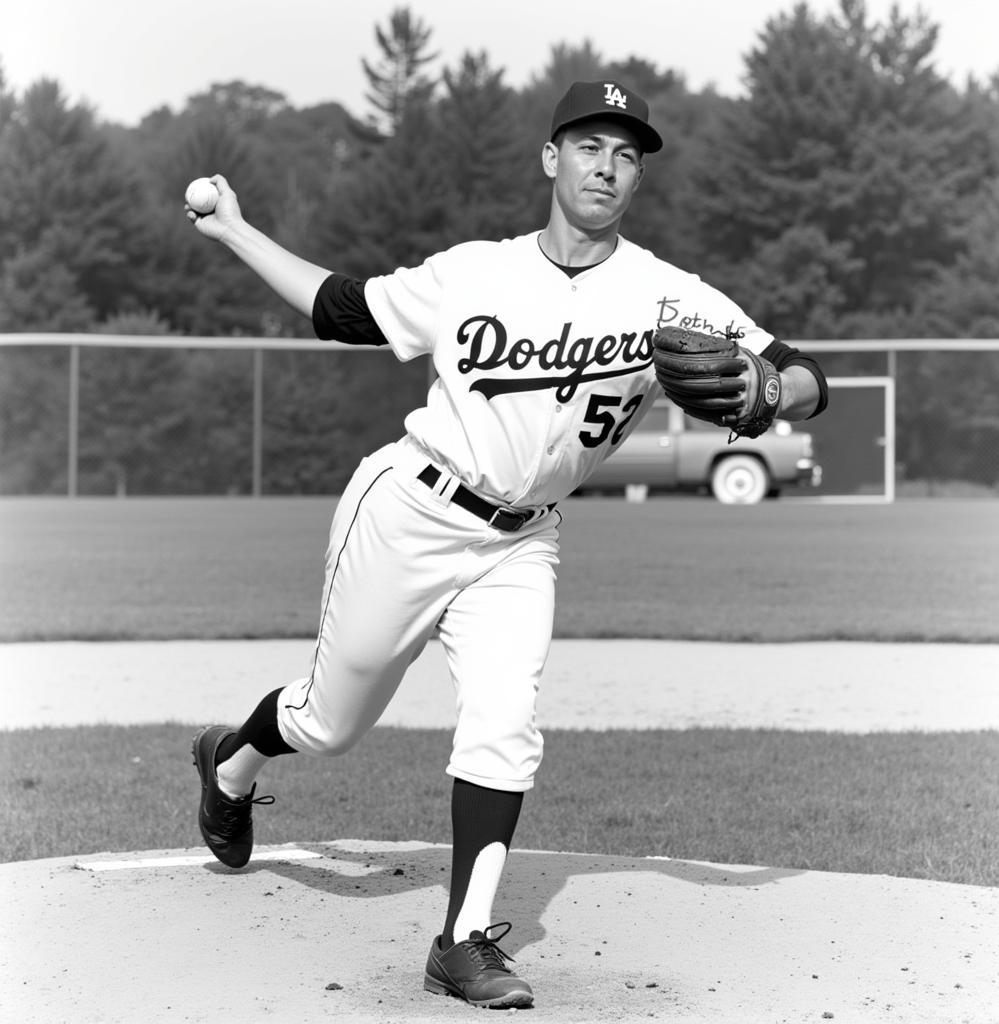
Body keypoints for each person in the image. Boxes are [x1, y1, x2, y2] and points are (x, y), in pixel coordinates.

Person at [186, 79, 828, 1010]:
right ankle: (231, 762)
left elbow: (808, 374)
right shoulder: (475, 271)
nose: (607, 167)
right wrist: (236, 230)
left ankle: (461, 941)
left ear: (638, 179)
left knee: (504, 721)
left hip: (521, 545)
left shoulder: (665, 297)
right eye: (589, 146)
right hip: (411, 508)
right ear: (551, 160)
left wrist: (773, 396)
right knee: (331, 722)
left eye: (628, 155)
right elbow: (340, 310)